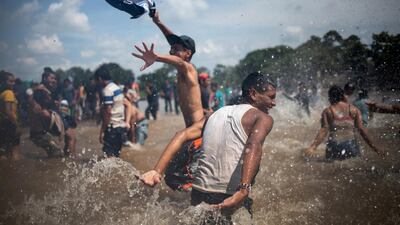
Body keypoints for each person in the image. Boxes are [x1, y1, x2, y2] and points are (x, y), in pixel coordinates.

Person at [139, 72, 276, 222]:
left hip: (199, 192)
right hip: (227, 194)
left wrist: (156, 171)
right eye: (271, 97)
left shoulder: (215, 114)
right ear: (253, 94)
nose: (274, 103)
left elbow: (181, 135)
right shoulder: (263, 118)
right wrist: (243, 190)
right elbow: (254, 146)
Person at [131, 10, 203, 127]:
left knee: (178, 138)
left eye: (175, 49)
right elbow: (172, 40)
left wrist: (156, 57)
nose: (171, 52)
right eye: (171, 49)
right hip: (190, 126)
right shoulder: (182, 69)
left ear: (188, 53)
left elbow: (179, 61)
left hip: (197, 127)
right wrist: (158, 22)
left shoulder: (189, 68)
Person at [305, 85, 384, 161]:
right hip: (351, 145)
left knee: (332, 169)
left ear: (330, 97)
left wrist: (313, 147)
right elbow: (362, 130)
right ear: (342, 96)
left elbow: (324, 130)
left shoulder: (328, 111)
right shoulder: (354, 110)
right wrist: (375, 148)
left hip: (334, 146)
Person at [30, 68, 77, 156]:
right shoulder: (40, 90)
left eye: (55, 79)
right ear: (44, 79)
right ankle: (71, 162)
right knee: (71, 137)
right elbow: (39, 109)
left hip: (53, 119)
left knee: (69, 139)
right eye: (52, 78)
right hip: (48, 122)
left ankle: (69, 161)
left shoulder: (49, 90)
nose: (54, 80)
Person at [95, 65, 131, 157]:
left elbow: (108, 113)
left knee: (109, 156)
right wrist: (127, 122)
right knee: (116, 156)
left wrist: (102, 131)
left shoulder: (107, 90)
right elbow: (127, 105)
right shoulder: (116, 87)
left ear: (99, 79)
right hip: (120, 127)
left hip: (112, 128)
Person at [0, 71, 21, 160]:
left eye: (14, 81)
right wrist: (16, 125)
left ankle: (5, 171)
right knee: (14, 150)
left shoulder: (2, 93)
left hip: (3, 125)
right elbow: (8, 111)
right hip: (9, 124)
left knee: (3, 151)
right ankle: (15, 171)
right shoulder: (9, 93)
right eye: (10, 81)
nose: (13, 83)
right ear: (3, 81)